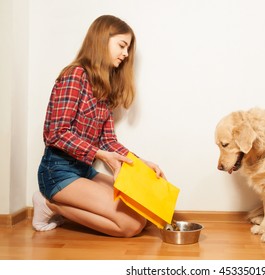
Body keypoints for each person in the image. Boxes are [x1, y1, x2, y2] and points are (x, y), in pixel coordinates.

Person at [32, 15, 166, 237]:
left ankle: (60, 204)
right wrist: (100, 155)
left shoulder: (103, 86)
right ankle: (49, 205)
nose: (125, 54)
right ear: (102, 40)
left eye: (128, 48)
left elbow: (108, 141)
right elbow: (55, 134)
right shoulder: (74, 76)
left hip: (84, 171)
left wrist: (141, 163)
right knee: (130, 226)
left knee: (144, 212)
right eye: (122, 45)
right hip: (57, 173)